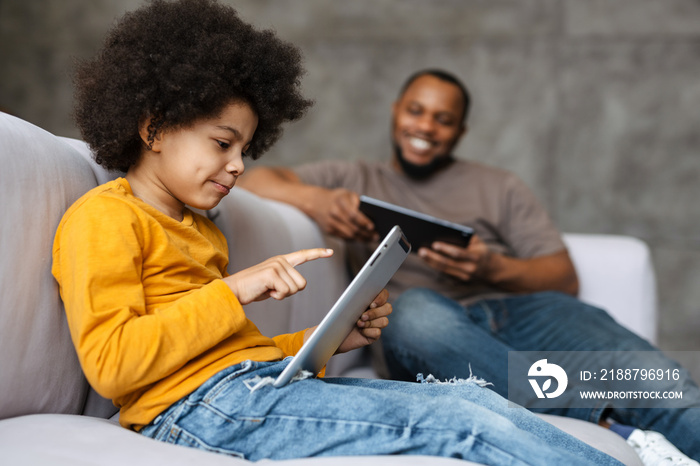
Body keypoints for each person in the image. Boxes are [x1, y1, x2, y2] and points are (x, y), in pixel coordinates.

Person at [50, 1, 621, 464]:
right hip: (195, 412)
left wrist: (325, 343)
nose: (237, 166)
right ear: (153, 128)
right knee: (458, 422)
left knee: (464, 396)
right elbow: (113, 364)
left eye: (245, 150)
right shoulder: (106, 217)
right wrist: (233, 291)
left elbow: (229, 354)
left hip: (248, 387)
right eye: (222, 144)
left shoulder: (198, 229)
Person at [239, 69, 700, 464]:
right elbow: (259, 179)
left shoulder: (498, 186)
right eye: (416, 110)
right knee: (416, 311)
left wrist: (490, 267)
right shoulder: (355, 177)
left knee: (652, 377)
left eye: (444, 119)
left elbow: (563, 275)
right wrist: (314, 200)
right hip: (425, 327)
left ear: (460, 131)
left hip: (518, 312)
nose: (426, 126)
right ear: (396, 111)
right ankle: (613, 428)